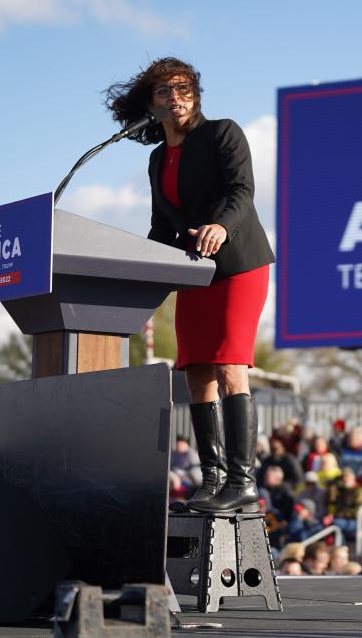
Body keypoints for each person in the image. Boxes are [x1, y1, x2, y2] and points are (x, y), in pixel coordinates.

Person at [108, 58, 275, 514]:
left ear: (196, 95)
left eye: (183, 89)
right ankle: (213, 480)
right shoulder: (158, 157)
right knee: (197, 373)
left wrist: (220, 226)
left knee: (228, 367)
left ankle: (243, 483)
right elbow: (162, 225)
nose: (176, 98)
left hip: (239, 265)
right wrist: (132, 274)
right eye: (164, 91)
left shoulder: (222, 133)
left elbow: (242, 191)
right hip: (194, 271)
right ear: (150, 104)